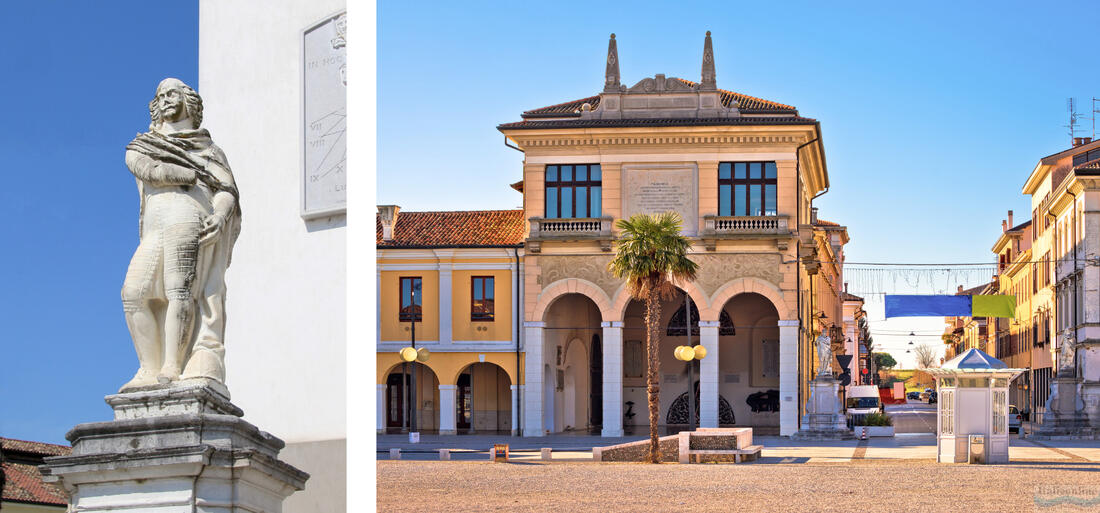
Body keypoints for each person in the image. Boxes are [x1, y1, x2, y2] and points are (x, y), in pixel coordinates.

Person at [119, 78, 241, 392]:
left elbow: (225, 189)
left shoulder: (208, 149)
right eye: (160, 96)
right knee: (133, 294)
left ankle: (173, 365)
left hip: (190, 215)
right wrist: (186, 173)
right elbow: (148, 170)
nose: (165, 99)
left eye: (172, 93)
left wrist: (220, 213)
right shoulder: (142, 145)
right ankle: (149, 368)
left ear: (187, 101)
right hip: (155, 224)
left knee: (180, 289)